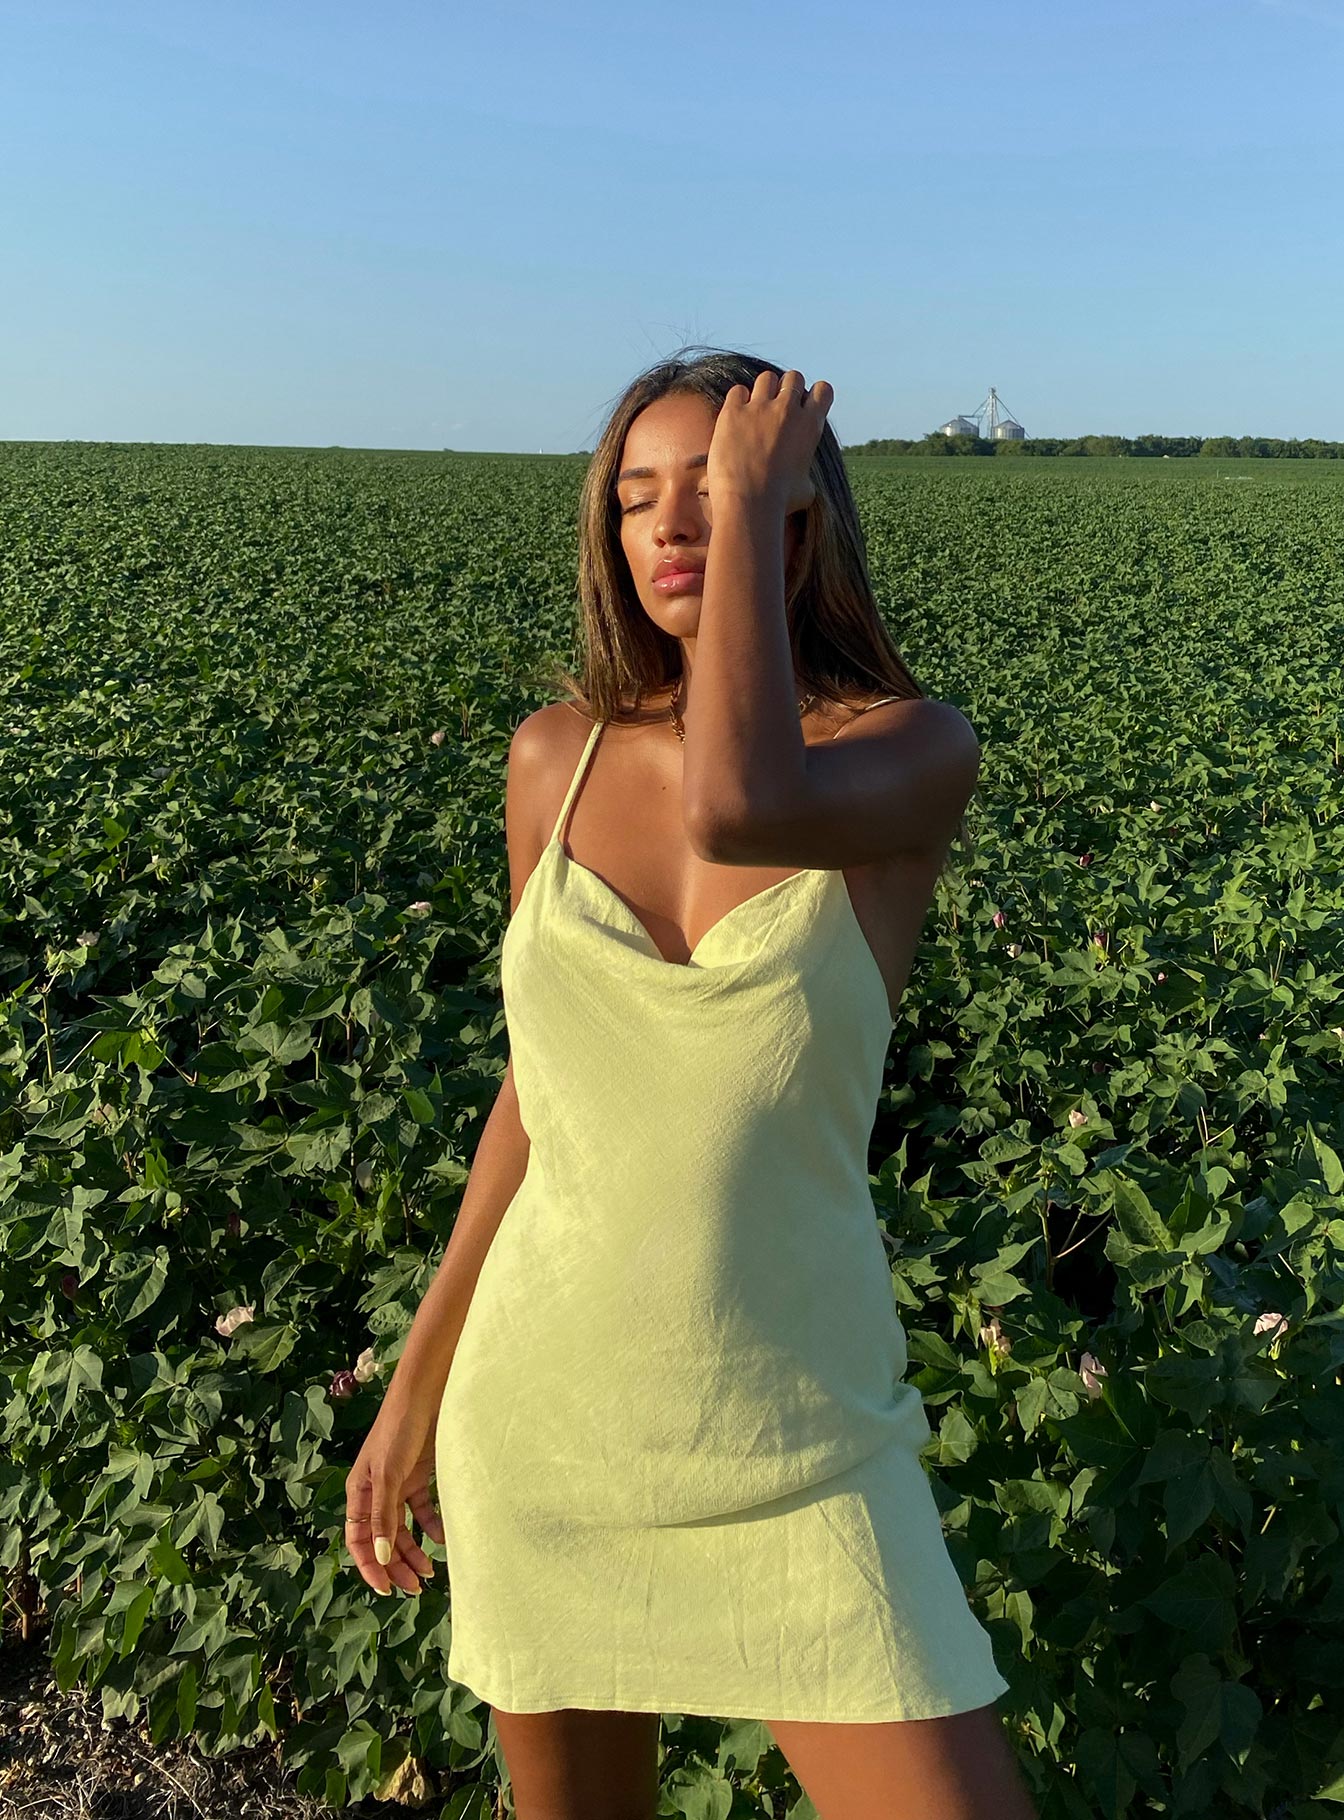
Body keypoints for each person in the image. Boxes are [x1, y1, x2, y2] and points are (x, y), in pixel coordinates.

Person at [344, 349, 1037, 1820]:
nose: (668, 526)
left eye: (716, 491)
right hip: (546, 1426)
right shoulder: (555, 761)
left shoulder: (910, 752)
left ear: (800, 519)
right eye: (637, 497)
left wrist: (763, 500)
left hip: (800, 1445)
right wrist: (417, 1388)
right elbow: (540, 1094)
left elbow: (740, 804)